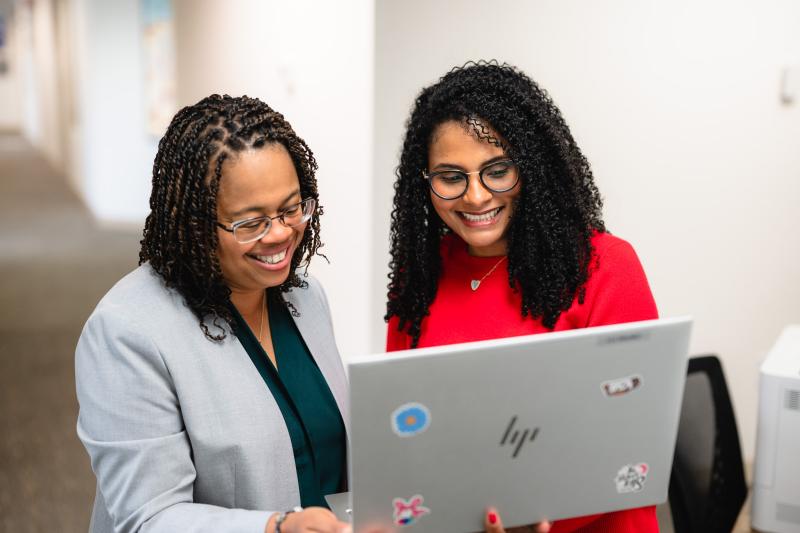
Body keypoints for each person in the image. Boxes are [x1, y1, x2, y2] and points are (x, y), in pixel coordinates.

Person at [385, 61, 659, 533]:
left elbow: (633, 442)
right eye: (451, 177)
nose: (475, 196)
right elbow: (408, 432)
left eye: (497, 170)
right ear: (424, 182)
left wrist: (530, 513)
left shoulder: (605, 267)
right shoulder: (420, 274)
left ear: (531, 165)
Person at [76, 95, 351, 533]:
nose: (280, 233)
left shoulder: (306, 298)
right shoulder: (127, 333)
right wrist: (276, 527)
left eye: (291, 208)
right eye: (250, 223)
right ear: (193, 221)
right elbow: (149, 517)